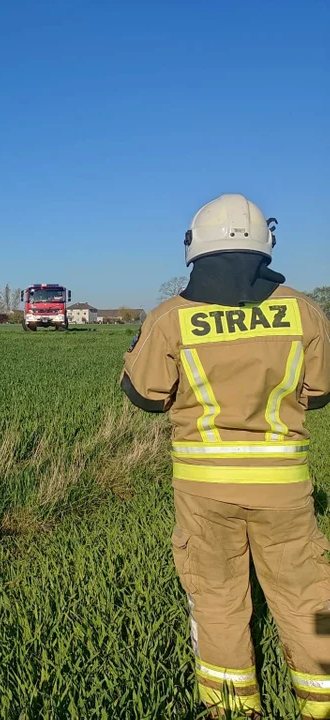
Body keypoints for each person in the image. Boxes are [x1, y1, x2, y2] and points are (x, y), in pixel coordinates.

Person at [121, 193, 330, 719]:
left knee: (216, 598)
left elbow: (144, 396)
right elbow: (322, 392)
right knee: (308, 596)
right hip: (285, 489)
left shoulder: (172, 317)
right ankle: (321, 703)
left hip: (204, 490)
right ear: (266, 245)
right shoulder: (303, 310)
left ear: (193, 248)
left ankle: (233, 709)